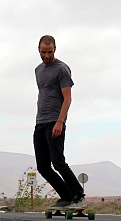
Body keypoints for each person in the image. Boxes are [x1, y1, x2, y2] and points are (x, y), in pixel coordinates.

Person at [33, 35, 86, 209]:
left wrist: (59, 122)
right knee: (42, 166)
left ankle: (78, 195)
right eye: (43, 52)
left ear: (55, 50)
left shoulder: (62, 69)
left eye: (49, 52)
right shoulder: (38, 70)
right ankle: (66, 196)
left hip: (55, 122)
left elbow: (67, 98)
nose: (46, 56)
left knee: (58, 162)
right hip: (40, 122)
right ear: (38, 50)